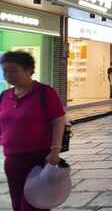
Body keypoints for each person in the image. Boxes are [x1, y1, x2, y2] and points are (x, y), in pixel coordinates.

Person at [0, 51, 66, 211]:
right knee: (17, 203)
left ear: (29, 70)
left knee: (34, 205)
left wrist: (55, 151)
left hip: (39, 159)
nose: (9, 75)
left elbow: (58, 121)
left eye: (14, 70)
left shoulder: (45, 93)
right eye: (5, 71)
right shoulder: (4, 96)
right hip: (12, 160)